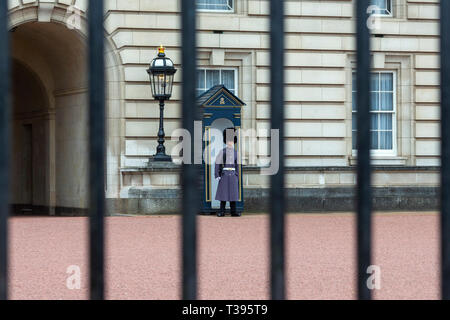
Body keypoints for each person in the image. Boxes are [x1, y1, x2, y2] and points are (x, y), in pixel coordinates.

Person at [215, 127, 240, 217]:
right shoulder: (222, 152)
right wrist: (217, 175)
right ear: (226, 141)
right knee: (223, 195)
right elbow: (217, 163)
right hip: (225, 174)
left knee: (233, 194)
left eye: (232, 140)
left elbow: (237, 165)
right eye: (229, 140)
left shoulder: (236, 153)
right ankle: (222, 211)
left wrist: (237, 175)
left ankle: (233, 211)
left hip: (233, 175)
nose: (230, 142)